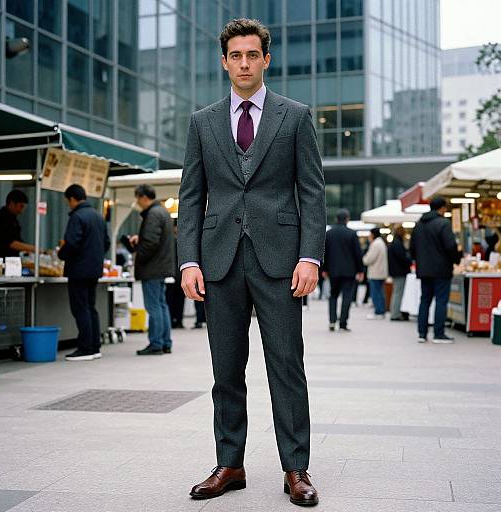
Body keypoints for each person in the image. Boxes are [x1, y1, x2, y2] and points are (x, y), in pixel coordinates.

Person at [178, 18, 325, 507]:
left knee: (286, 364)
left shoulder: (295, 116)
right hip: (218, 261)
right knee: (226, 368)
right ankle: (230, 464)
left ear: (267, 59)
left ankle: (296, 468)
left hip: (280, 261)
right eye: (235, 56)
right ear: (225, 62)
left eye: (252, 55)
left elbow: (311, 191)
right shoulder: (202, 122)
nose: (244, 63)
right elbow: (192, 196)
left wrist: (309, 255)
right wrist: (188, 261)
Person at [58, 184, 110, 361]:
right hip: (94, 269)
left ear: (72, 199)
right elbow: (107, 243)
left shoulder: (77, 216)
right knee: (90, 307)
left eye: (68, 201)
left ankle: (85, 348)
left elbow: (71, 244)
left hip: (78, 270)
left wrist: (60, 253)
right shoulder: (98, 216)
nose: (68, 205)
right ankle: (95, 347)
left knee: (80, 308)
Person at [130, 184, 176, 355]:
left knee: (154, 306)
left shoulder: (153, 214)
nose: (137, 203)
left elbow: (150, 243)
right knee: (162, 305)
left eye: (137, 199)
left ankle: (156, 343)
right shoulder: (163, 212)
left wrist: (138, 255)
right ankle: (165, 342)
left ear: (143, 197)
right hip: (162, 267)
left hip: (152, 268)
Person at [410, 196, 460, 343]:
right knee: (441, 301)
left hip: (424, 270)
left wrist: (419, 261)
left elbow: (412, 249)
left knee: (424, 300)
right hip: (441, 270)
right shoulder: (443, 223)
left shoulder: (418, 225)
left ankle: (422, 333)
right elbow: (450, 246)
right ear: (442, 208)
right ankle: (438, 334)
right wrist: (456, 259)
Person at [322, 209, 363, 332]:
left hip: (333, 270)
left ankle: (332, 321)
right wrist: (360, 270)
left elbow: (324, 253)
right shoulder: (351, 234)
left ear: (336, 219)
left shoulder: (329, 234)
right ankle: (343, 323)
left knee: (333, 295)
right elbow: (358, 254)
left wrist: (324, 269)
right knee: (347, 297)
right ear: (347, 219)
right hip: (349, 271)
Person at [0, 189, 36, 257]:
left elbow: (17, 239)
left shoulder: (12, 218)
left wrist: (28, 248)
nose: (22, 211)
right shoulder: (1, 218)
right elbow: (10, 242)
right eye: (21, 206)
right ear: (12, 204)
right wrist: (33, 249)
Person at [363, 228, 388, 320]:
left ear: (373, 235)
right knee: (380, 292)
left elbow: (369, 259)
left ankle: (379, 311)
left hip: (376, 273)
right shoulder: (381, 243)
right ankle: (381, 311)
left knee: (376, 293)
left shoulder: (376, 244)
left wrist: (364, 259)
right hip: (380, 272)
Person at [388, 225, 411, 321]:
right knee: (398, 292)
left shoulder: (394, 242)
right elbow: (402, 257)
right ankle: (395, 314)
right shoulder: (397, 243)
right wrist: (408, 260)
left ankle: (394, 312)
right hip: (399, 271)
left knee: (396, 292)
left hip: (396, 271)